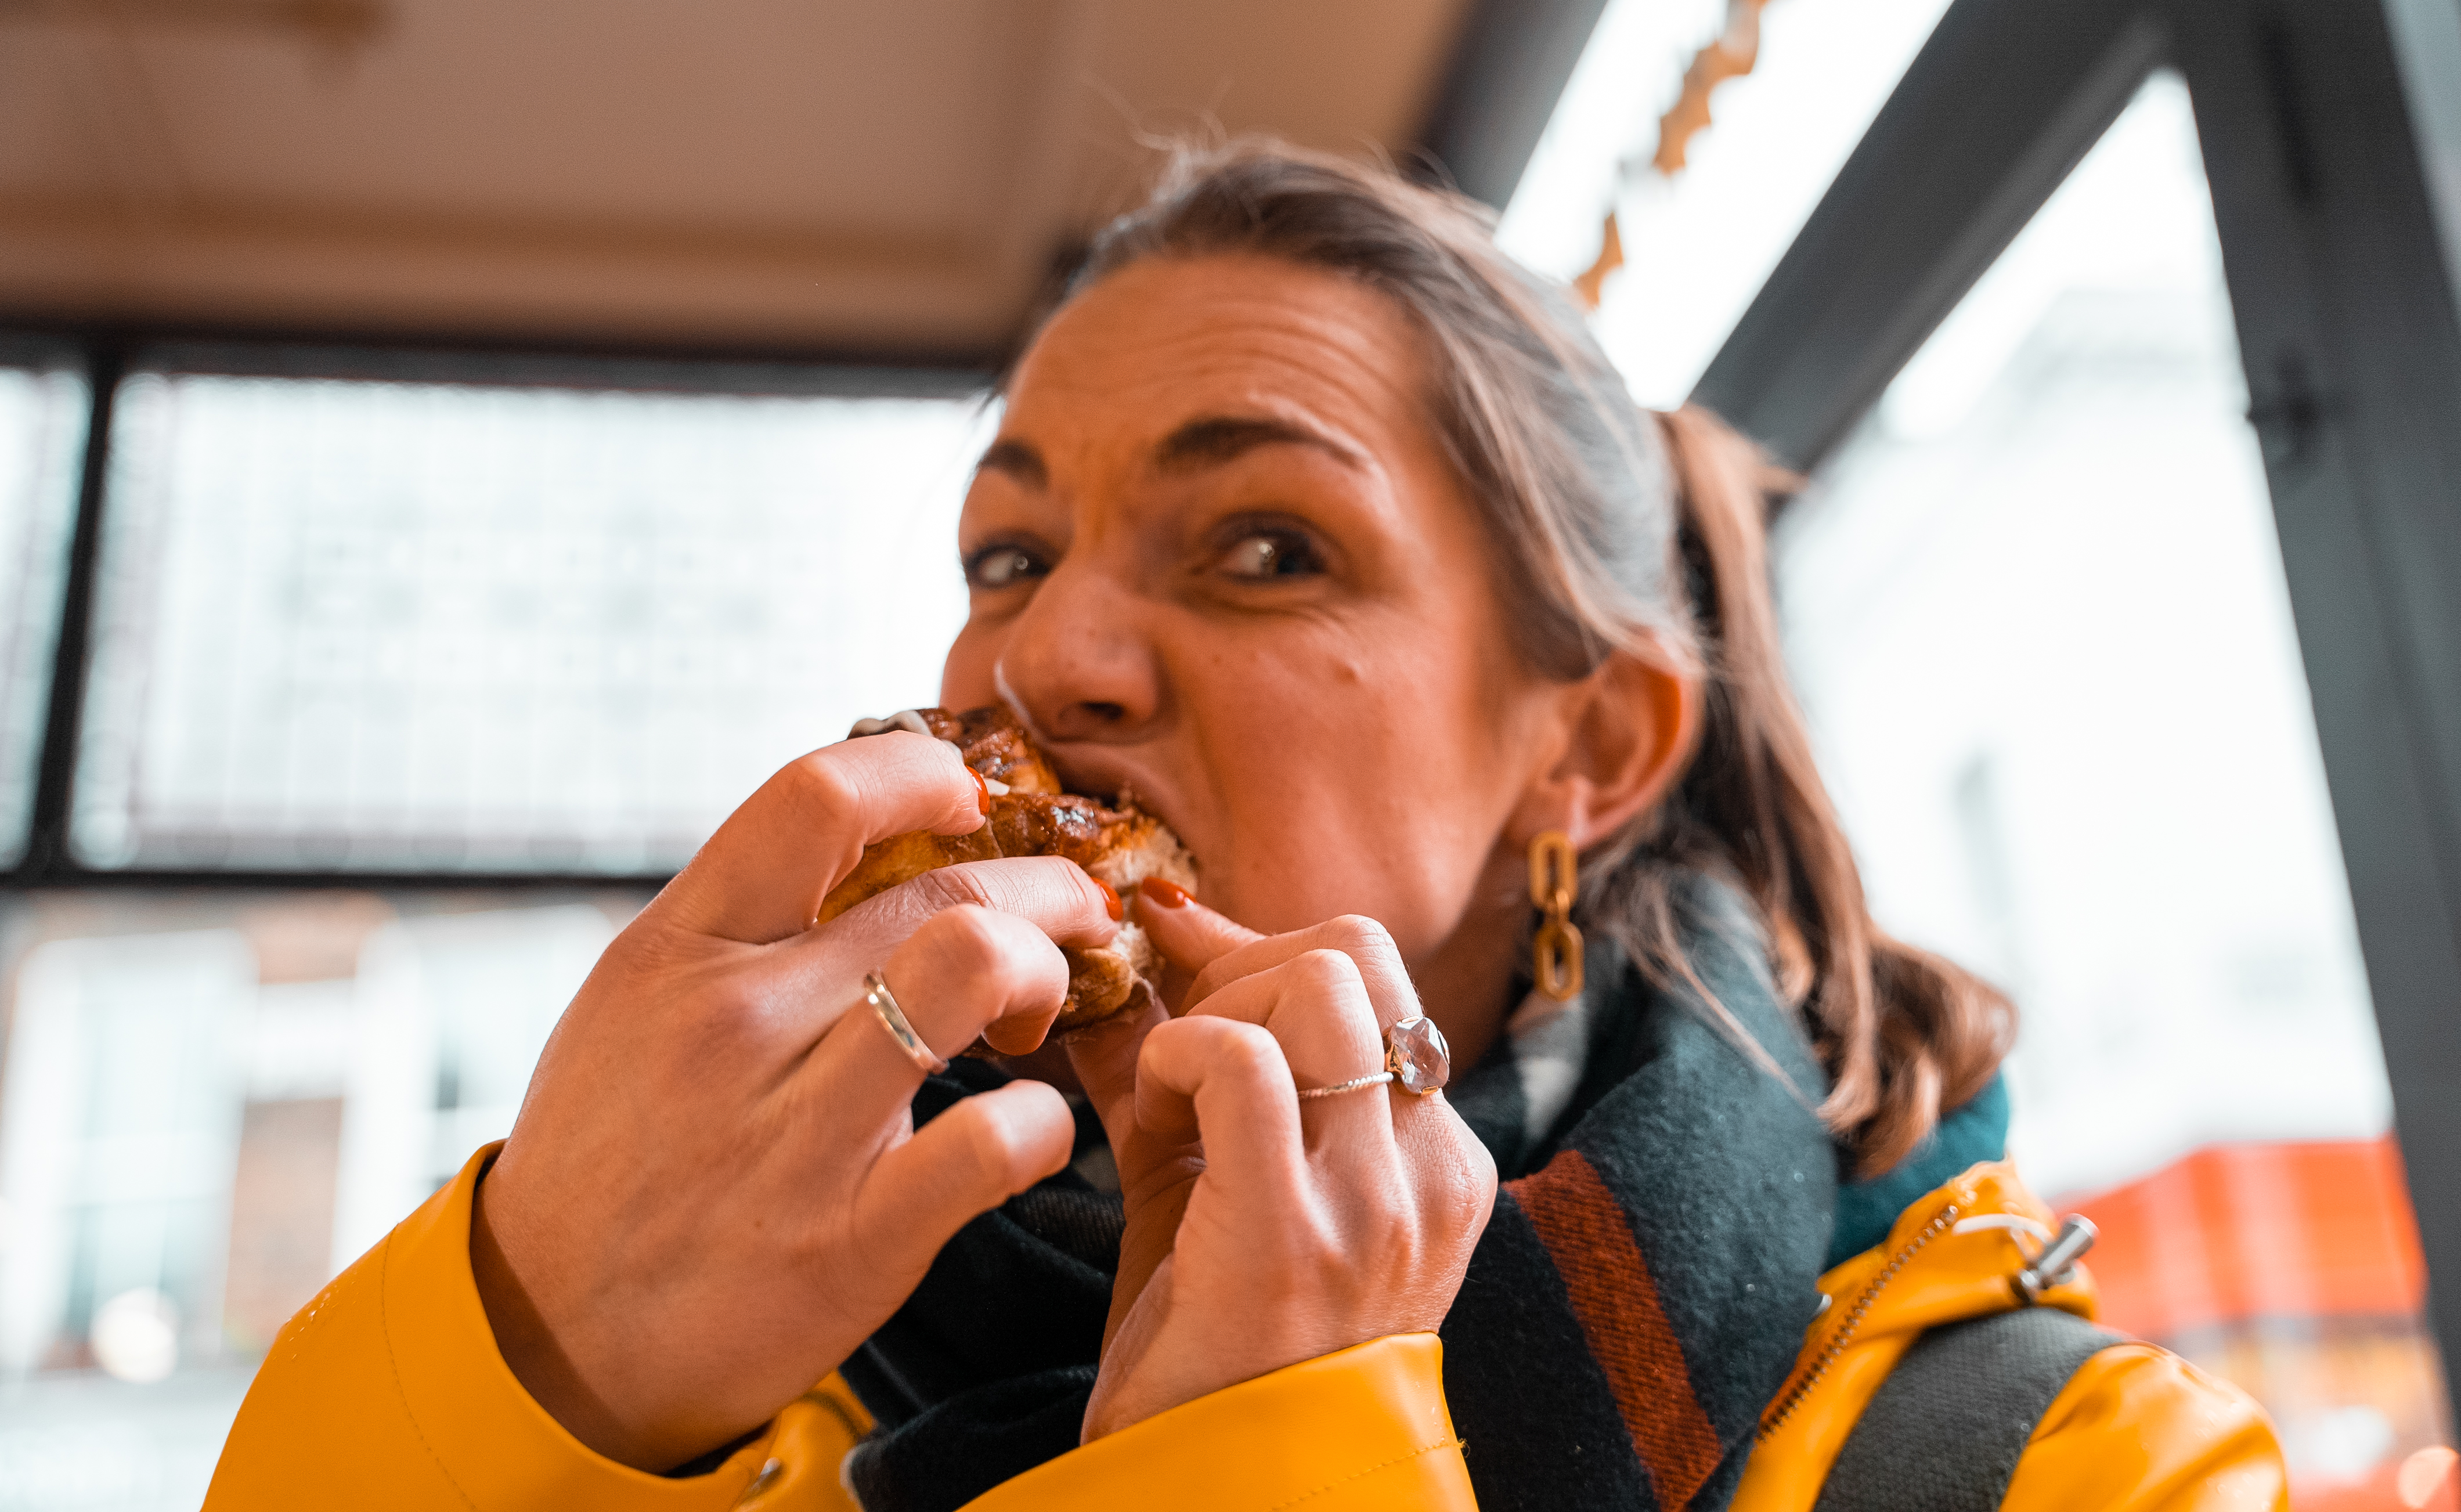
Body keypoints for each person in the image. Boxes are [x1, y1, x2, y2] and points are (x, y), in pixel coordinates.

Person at [205, 142, 2286, 1511]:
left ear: (1592, 754)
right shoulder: (749, 1401)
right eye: (1008, 556)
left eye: (1268, 546)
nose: (1048, 661)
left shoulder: (2067, 1469)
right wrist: (537, 1359)